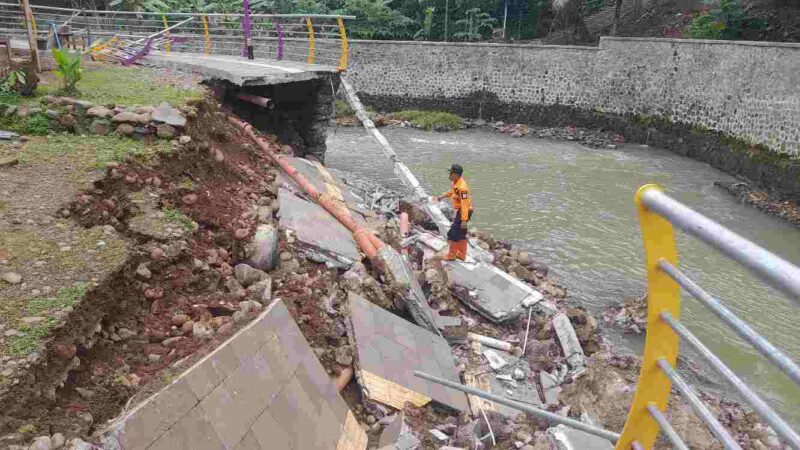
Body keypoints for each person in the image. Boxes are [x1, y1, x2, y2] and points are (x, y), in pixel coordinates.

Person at [434, 164, 474, 261]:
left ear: (456, 174)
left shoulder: (463, 188)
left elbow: (464, 204)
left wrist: (464, 220)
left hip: (464, 211)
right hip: (462, 211)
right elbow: (452, 192)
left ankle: (451, 256)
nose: (449, 175)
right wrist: (442, 197)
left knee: (453, 233)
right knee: (461, 233)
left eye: (451, 173)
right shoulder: (456, 183)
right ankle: (461, 255)